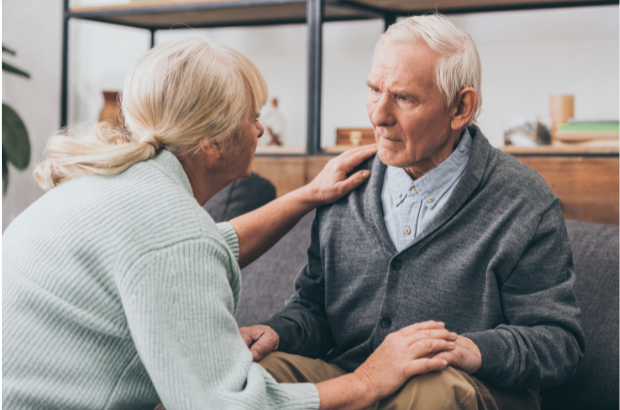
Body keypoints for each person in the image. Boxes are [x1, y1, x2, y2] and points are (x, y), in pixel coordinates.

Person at [3, 37, 459, 410]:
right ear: (211, 145)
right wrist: (367, 381)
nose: (260, 131)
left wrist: (305, 196)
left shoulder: (113, 187)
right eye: (252, 117)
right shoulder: (171, 232)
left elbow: (207, 246)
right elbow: (229, 407)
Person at [240, 14, 586, 410]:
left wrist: (470, 348)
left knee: (430, 386)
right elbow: (314, 309)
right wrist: (276, 332)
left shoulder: (523, 199)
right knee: (251, 374)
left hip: (463, 386)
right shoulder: (346, 183)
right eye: (374, 90)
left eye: (404, 98)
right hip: (352, 379)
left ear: (461, 107)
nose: (378, 116)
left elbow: (560, 344)